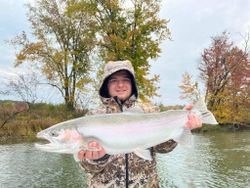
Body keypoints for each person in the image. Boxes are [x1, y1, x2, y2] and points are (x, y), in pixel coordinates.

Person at [78, 60, 202, 188]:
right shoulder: (92, 117)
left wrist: (182, 125)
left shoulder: (149, 112)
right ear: (106, 85)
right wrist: (98, 158)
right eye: (114, 80)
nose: (120, 84)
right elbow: (88, 168)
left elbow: (163, 148)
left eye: (126, 79)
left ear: (132, 84)